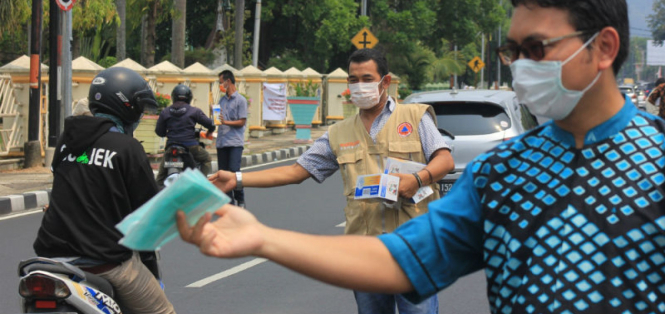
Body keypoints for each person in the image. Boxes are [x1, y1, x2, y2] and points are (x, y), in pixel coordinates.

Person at [178, 0, 665, 313]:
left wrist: (416, 180)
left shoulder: (657, 163)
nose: (520, 69)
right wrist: (262, 238)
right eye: (511, 51)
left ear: (603, 47)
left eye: (536, 49)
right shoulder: (502, 174)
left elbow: (440, 163)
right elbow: (402, 260)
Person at [206, 48, 454, 314]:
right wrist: (237, 178)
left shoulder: (415, 117)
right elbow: (296, 171)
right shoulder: (338, 133)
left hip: (413, 246)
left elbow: (444, 160)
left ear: (385, 81)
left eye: (367, 79)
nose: (359, 86)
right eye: (353, 79)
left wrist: (418, 179)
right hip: (364, 250)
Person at [34, 67, 176, 314]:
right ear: (126, 105)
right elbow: (149, 215)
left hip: (52, 260)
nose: (141, 115)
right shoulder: (127, 148)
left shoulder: (67, 141)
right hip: (103, 263)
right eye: (139, 108)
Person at [155, 84, 215, 187]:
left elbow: (159, 132)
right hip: (190, 146)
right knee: (207, 159)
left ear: (173, 96)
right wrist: (209, 132)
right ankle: (199, 184)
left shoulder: (165, 111)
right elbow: (211, 124)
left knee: (160, 178)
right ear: (189, 97)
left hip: (171, 146)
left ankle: (157, 193)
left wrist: (169, 133)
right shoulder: (194, 111)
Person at [216, 70, 248, 207]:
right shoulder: (221, 101)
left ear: (228, 82)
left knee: (234, 171)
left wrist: (226, 122)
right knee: (223, 174)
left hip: (235, 142)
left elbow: (241, 122)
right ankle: (229, 203)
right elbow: (218, 120)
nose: (220, 85)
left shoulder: (241, 100)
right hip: (222, 142)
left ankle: (240, 198)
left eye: (220, 82)